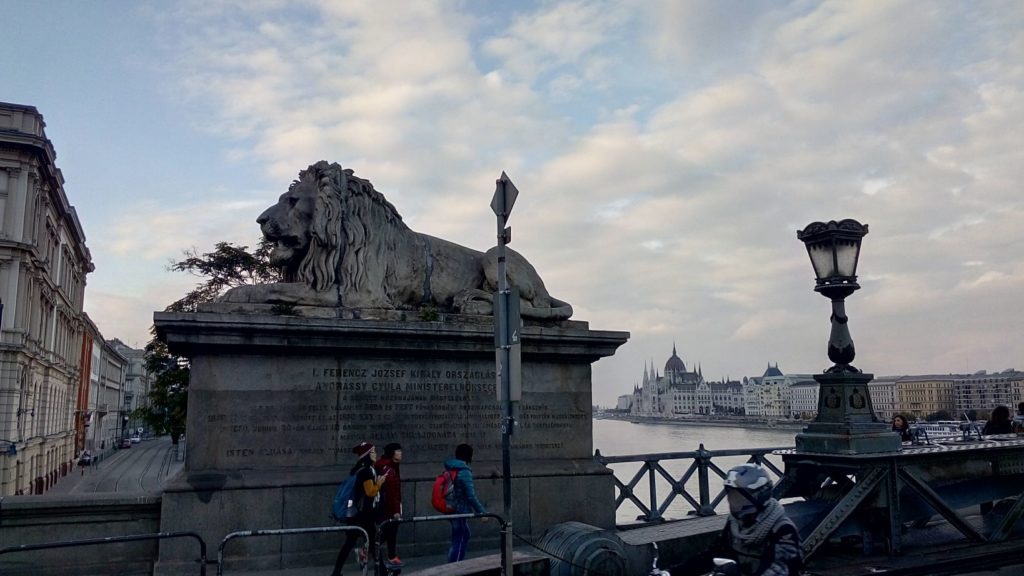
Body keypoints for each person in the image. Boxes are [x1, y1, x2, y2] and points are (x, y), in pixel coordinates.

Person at [678, 464, 802, 576]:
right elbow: (713, 554)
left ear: (758, 496)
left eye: (739, 498)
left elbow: (780, 569)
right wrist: (672, 572)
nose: (733, 502)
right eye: (731, 496)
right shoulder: (735, 524)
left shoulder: (783, 530)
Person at [331, 442, 387, 576]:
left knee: (352, 544)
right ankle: (383, 571)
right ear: (367, 455)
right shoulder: (366, 471)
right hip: (363, 516)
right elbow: (370, 492)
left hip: (358, 515)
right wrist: (379, 482)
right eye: (372, 452)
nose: (375, 454)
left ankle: (336, 572)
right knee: (373, 543)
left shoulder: (361, 470)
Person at [444, 443, 487, 563]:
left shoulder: (451, 467)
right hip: (459, 510)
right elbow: (471, 496)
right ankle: (454, 567)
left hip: (450, 506)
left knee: (462, 534)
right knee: (460, 537)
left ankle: (455, 564)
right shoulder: (464, 471)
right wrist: (482, 513)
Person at [374, 442, 404, 569]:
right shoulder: (389, 469)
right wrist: (396, 510)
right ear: (392, 453)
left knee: (389, 532)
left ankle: (391, 556)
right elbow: (392, 492)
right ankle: (391, 556)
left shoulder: (388, 466)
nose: (401, 453)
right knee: (390, 532)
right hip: (388, 507)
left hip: (385, 505)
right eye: (398, 451)